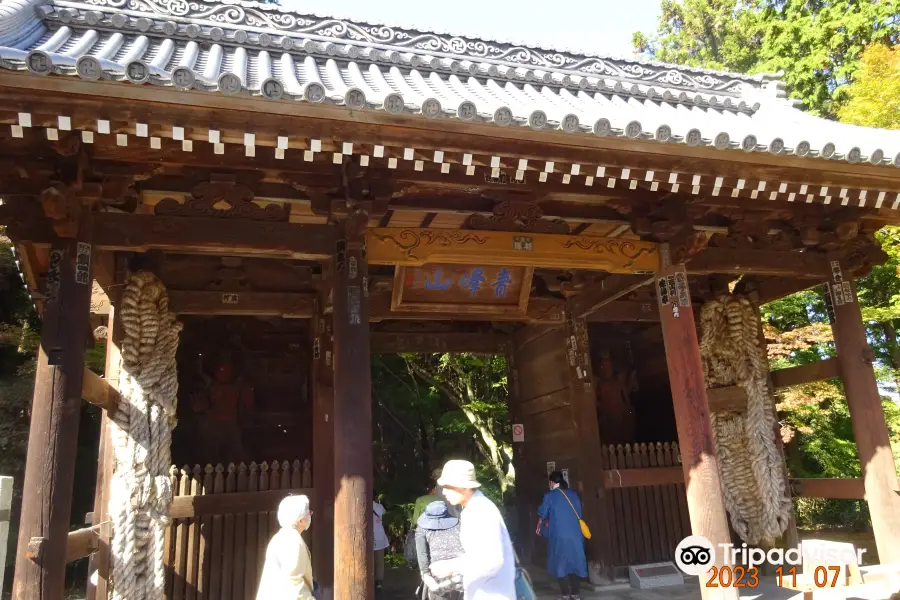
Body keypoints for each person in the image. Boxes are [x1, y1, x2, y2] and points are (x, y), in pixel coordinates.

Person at [432, 459, 516, 599]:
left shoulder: (480, 511)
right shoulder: (474, 508)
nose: (444, 492)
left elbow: (492, 560)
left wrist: (453, 566)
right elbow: (479, 554)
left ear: (464, 487)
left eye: (447, 486)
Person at [536, 472, 587, 600]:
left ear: (552, 482)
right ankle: (575, 594)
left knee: (561, 564)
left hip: (559, 535)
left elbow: (542, 512)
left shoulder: (550, 496)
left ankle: (565, 594)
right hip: (576, 535)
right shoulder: (574, 494)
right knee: (575, 562)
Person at [257, 495, 315, 600]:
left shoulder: (279, 537)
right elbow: (294, 583)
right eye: (308, 512)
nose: (311, 514)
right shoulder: (293, 540)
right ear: (300, 519)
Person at [415, 500, 464, 600]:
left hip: (439, 576)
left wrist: (426, 575)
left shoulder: (421, 529)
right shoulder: (459, 524)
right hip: (461, 573)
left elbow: (422, 554)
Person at [373, 497, 389, 599]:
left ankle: (370, 578)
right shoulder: (379, 506)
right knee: (379, 561)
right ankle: (379, 581)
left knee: (369, 560)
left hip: (368, 536)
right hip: (379, 536)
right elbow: (384, 514)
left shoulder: (362, 504)